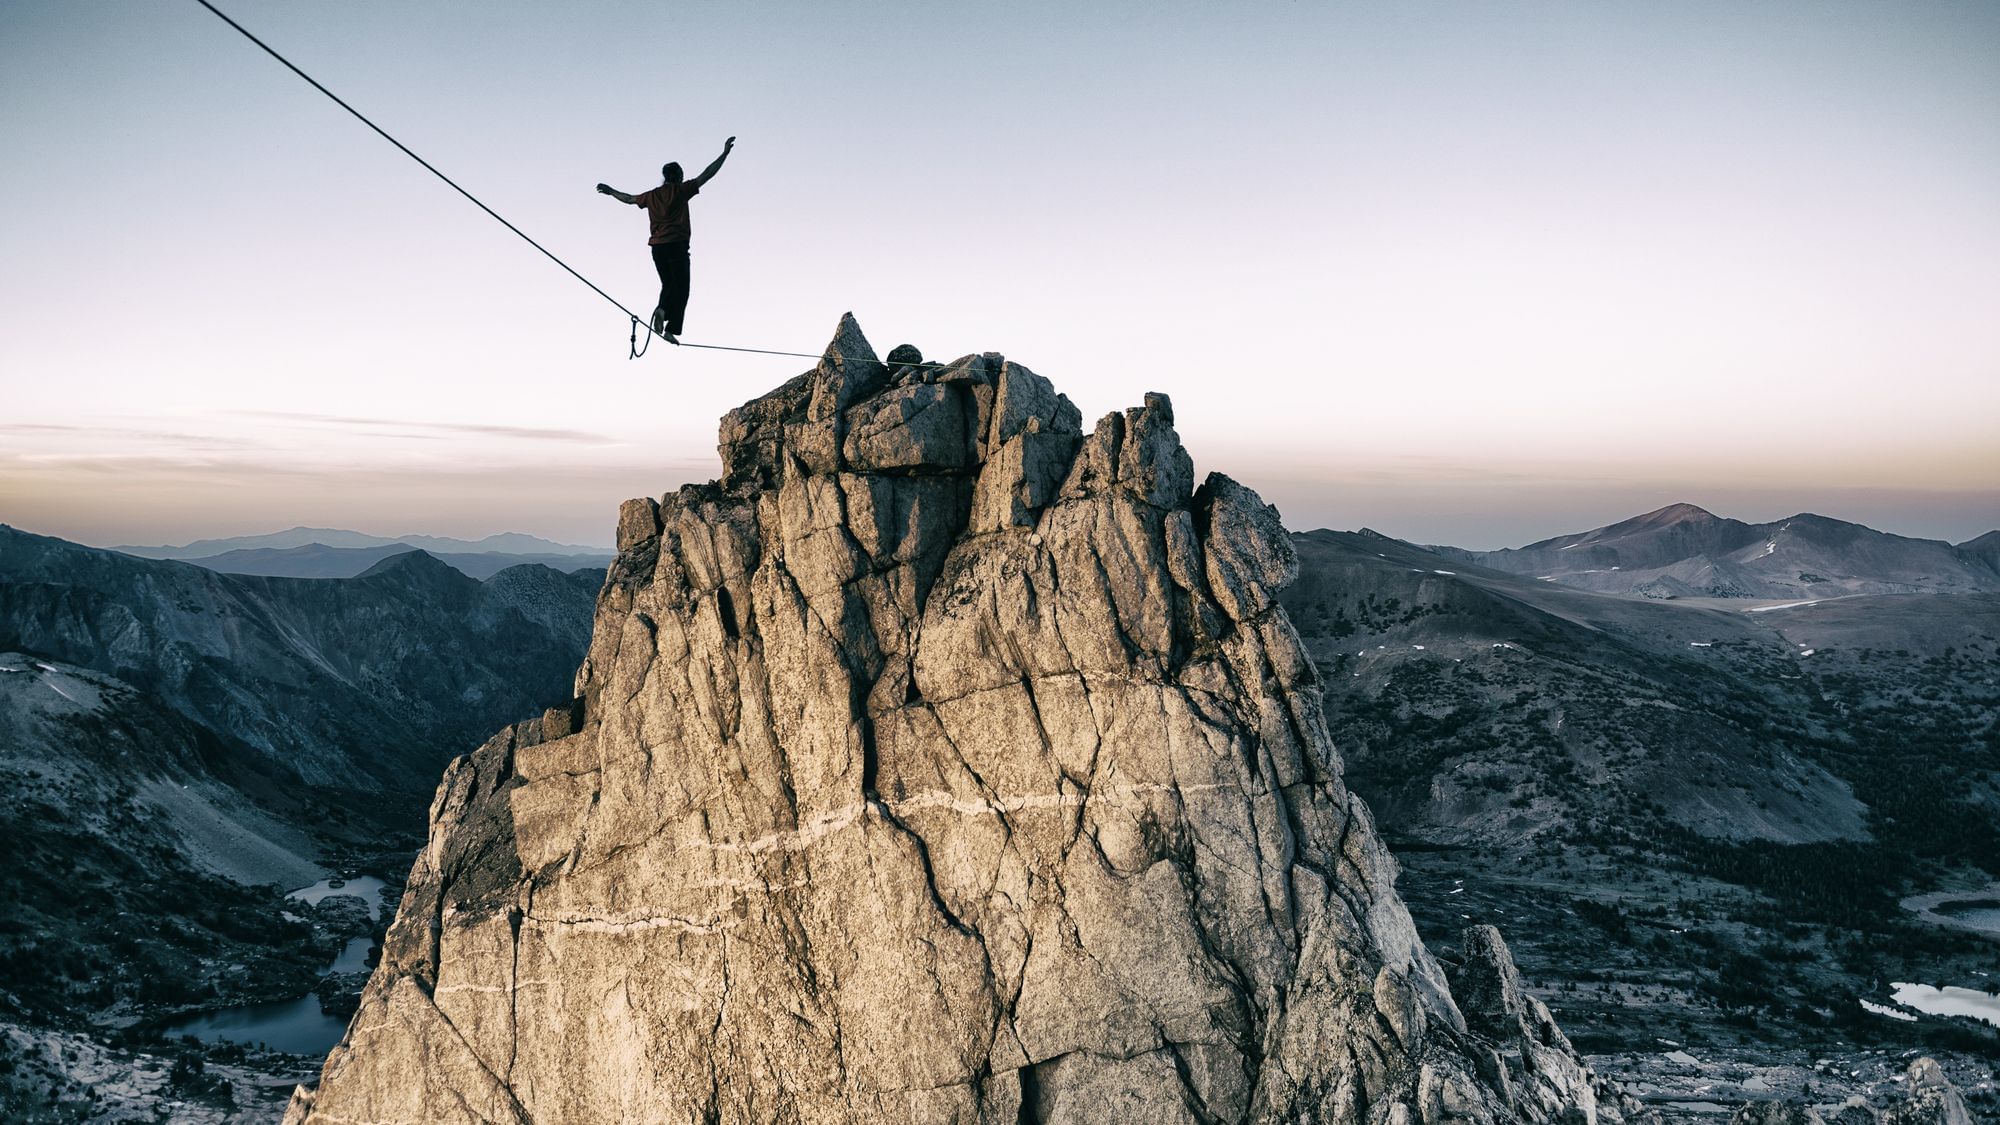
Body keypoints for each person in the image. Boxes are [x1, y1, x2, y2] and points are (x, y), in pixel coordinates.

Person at [597, 136, 734, 343]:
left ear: (664, 176)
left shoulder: (651, 195)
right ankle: (671, 328)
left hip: (657, 248)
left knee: (668, 284)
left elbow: (629, 198)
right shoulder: (681, 190)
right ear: (678, 176)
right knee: (682, 287)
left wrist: (610, 191)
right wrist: (724, 154)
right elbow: (707, 174)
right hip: (677, 245)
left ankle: (662, 310)